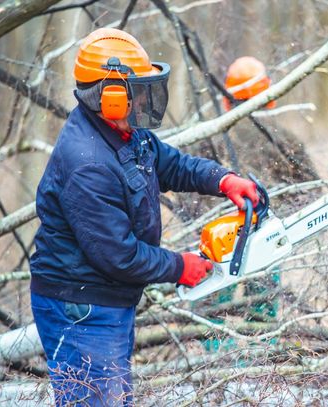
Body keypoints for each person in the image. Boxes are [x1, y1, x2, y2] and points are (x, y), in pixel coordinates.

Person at [29, 28, 260, 406]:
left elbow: (172, 165)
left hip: (106, 298)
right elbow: (119, 255)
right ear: (111, 98)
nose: (142, 101)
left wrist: (223, 180)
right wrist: (179, 266)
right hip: (82, 308)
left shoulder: (123, 134)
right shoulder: (88, 164)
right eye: (136, 92)